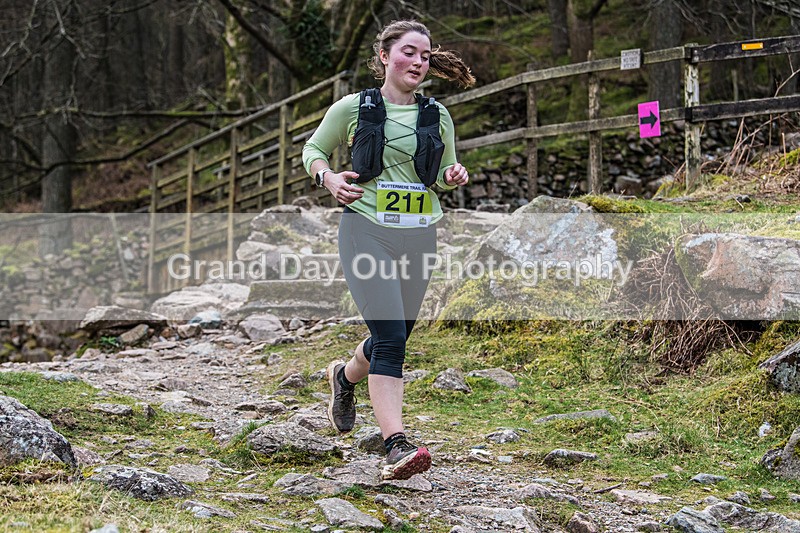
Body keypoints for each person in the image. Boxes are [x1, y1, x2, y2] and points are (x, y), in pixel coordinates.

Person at [302, 19, 475, 480]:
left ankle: (344, 377)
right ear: (384, 56)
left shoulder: (437, 115)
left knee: (392, 335)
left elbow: (444, 173)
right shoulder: (352, 108)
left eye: (425, 56)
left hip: (420, 233)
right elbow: (313, 150)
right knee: (392, 337)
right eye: (409, 52)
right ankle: (395, 444)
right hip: (366, 230)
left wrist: (453, 176)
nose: (418, 62)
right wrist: (328, 178)